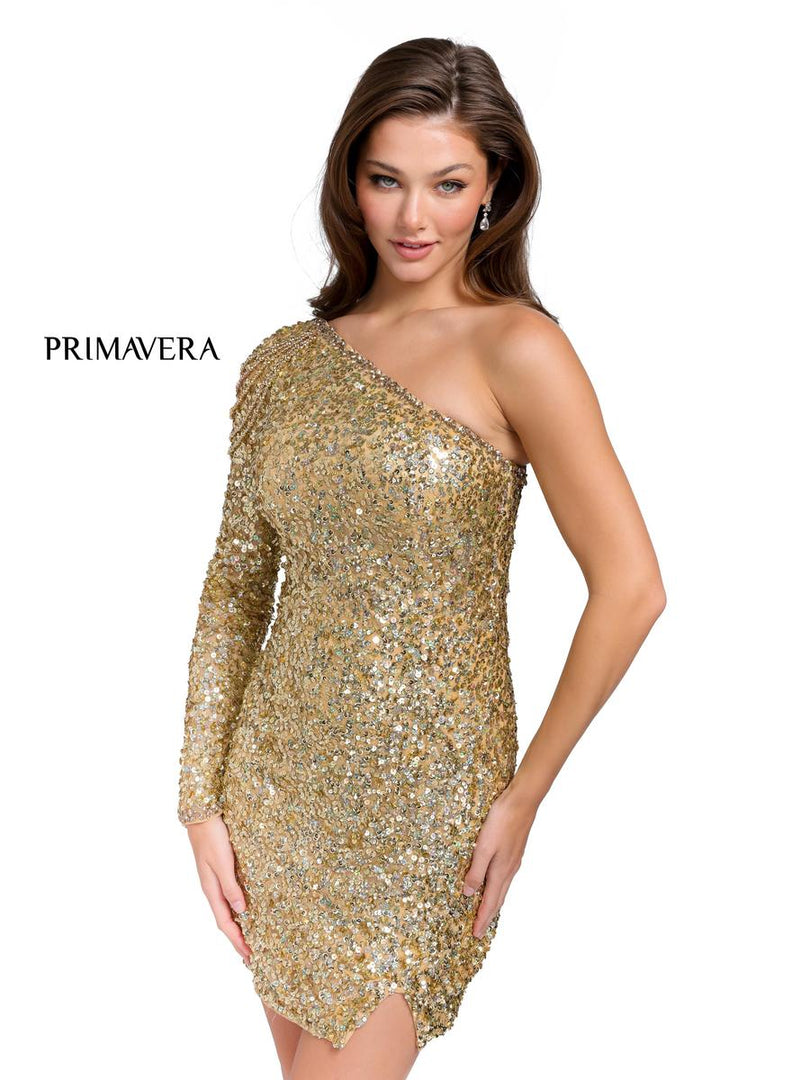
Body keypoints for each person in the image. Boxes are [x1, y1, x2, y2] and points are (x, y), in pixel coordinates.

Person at [177, 36, 666, 1080]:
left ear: (494, 188)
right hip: (277, 790)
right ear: (349, 183)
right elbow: (236, 587)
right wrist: (200, 800)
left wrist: (524, 796)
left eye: (447, 184)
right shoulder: (284, 365)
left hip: (429, 804)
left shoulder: (519, 348)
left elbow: (631, 588)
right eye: (385, 179)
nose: (413, 217)